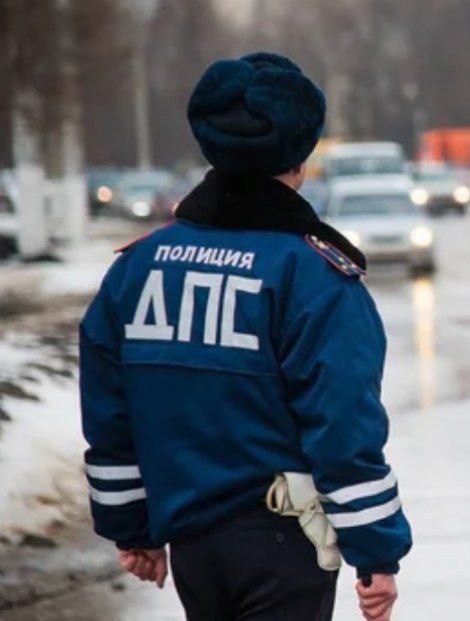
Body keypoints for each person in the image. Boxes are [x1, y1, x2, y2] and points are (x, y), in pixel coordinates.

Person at [79, 52, 411, 621]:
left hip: (191, 544)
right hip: (283, 543)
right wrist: (375, 550)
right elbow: (343, 422)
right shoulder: (312, 274)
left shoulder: (140, 266)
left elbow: (110, 408)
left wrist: (131, 525)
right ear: (300, 156)